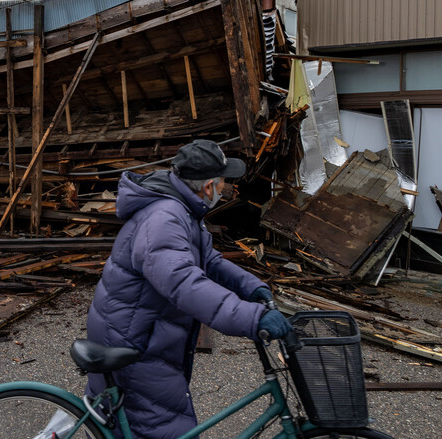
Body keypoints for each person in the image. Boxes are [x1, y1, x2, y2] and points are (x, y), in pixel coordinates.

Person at [85, 139, 292, 439]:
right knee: (168, 430)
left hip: (142, 331)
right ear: (208, 187)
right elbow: (183, 282)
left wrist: (253, 288)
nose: (225, 189)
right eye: (223, 182)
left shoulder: (182, 211)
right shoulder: (165, 218)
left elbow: (209, 262)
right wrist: (252, 318)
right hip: (134, 343)